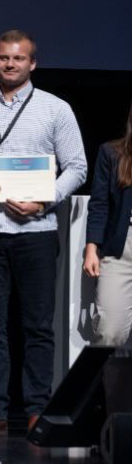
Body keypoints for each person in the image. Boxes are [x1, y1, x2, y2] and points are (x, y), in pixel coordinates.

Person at [0, 30, 87, 435]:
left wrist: (44, 200)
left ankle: (37, 410)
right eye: (3, 58)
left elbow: (77, 166)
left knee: (37, 326)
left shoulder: (55, 110)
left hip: (36, 229)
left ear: (33, 64)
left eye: (18, 59)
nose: (10, 65)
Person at [83, 100, 132, 347]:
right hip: (121, 249)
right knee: (109, 332)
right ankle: (106, 386)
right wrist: (92, 248)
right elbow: (100, 204)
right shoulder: (113, 153)